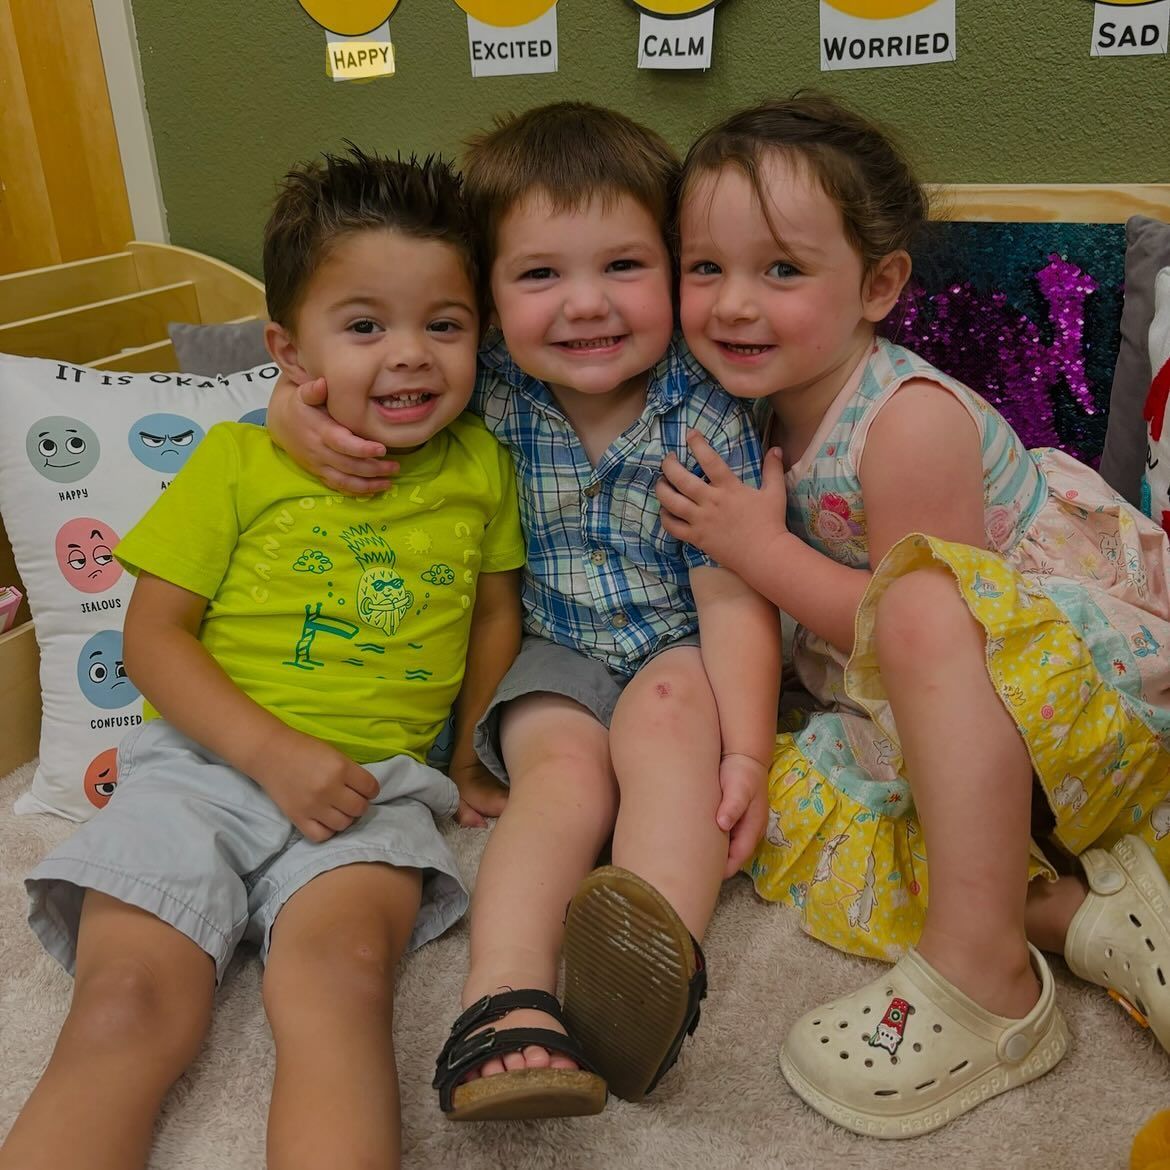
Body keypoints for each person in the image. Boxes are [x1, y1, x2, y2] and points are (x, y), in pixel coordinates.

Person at [653, 92, 1170, 1138]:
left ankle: (986, 982)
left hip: (1040, 666)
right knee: (814, 817)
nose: (734, 305)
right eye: (705, 268)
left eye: (783, 271)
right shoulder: (747, 403)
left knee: (926, 606)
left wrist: (758, 549)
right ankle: (1095, 922)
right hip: (907, 697)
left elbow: (930, 624)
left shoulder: (907, 422)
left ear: (879, 285)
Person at [0, 148, 525, 1170]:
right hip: (197, 771)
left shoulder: (482, 466)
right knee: (124, 1001)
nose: (410, 355)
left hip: (376, 789)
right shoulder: (236, 458)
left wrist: (466, 759)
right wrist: (271, 753)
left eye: (445, 325)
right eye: (366, 325)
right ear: (289, 349)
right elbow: (149, 640)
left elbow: (495, 617)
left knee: (341, 989)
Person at [267, 103, 781, 1120]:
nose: (585, 305)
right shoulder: (484, 387)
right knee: (557, 781)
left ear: (675, 271)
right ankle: (504, 1000)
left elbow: (733, 595)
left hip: (676, 642)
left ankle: (649, 973)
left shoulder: (705, 405)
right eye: (541, 274)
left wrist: (751, 757)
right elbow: (364, 391)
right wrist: (292, 408)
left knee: (675, 739)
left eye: (623, 267)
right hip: (549, 649)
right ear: (488, 302)